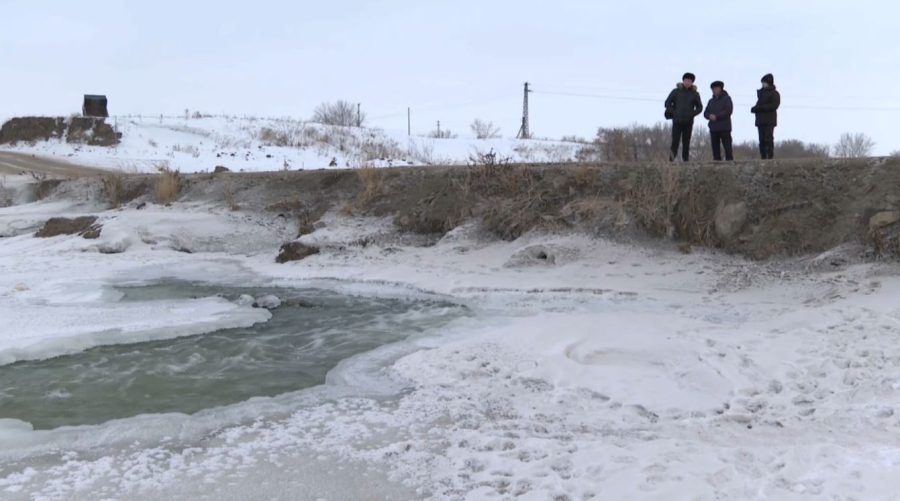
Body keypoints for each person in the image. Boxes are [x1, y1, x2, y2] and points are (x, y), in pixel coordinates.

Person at [665, 73, 704, 162]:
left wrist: (692, 114)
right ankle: (671, 160)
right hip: (677, 121)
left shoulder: (695, 94)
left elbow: (700, 107)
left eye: (689, 81)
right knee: (675, 142)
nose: (687, 83)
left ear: (692, 83)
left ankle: (685, 160)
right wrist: (674, 112)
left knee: (686, 142)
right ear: (683, 81)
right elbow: (667, 103)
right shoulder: (676, 91)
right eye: (686, 81)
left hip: (688, 122)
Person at [751, 73, 781, 159]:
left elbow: (774, 105)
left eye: (764, 83)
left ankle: (770, 156)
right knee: (762, 140)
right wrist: (755, 109)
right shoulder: (761, 94)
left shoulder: (774, 94)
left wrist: (761, 108)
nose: (763, 85)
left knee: (768, 138)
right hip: (760, 120)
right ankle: (763, 156)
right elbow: (758, 105)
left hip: (769, 120)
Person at [704, 81, 734, 161]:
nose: (714, 90)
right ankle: (716, 161)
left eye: (715, 89)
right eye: (712, 89)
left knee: (727, 146)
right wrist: (709, 116)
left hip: (724, 127)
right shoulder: (711, 101)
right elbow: (705, 112)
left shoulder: (727, 99)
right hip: (713, 127)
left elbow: (728, 111)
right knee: (715, 147)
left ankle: (729, 161)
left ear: (720, 89)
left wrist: (716, 116)